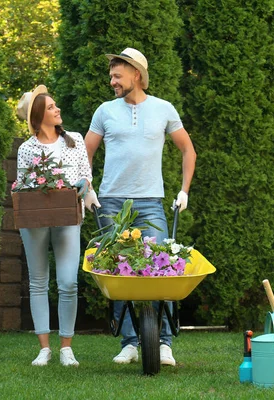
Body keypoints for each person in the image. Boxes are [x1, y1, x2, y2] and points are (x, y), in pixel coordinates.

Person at [84, 48, 197, 367]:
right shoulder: (105, 111)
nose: (112, 82)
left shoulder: (163, 109)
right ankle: (130, 342)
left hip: (150, 203)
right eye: (111, 76)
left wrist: (183, 190)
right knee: (117, 270)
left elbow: (188, 150)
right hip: (112, 203)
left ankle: (163, 343)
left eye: (117, 76)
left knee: (163, 270)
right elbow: (85, 153)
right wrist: (87, 189)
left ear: (137, 74)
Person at [15, 85, 100, 366]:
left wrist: (83, 184)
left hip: (68, 218)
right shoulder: (27, 149)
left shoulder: (74, 140)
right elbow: (23, 185)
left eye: (55, 105)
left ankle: (66, 347)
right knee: (38, 281)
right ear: (39, 117)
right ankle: (44, 348)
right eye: (51, 107)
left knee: (68, 282)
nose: (57, 109)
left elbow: (87, 176)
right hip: (35, 221)